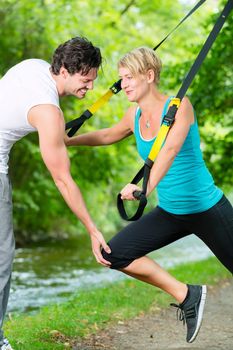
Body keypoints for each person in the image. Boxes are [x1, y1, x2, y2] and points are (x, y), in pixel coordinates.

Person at [66, 47, 233, 344]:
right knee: (113, 254)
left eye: (130, 77)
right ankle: (187, 295)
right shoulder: (134, 114)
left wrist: (144, 189)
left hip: (207, 207)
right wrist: (69, 140)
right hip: (171, 213)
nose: (125, 84)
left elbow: (167, 151)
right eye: (122, 78)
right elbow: (107, 135)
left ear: (150, 75)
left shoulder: (180, 107)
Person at [0, 36, 111, 350]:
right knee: (2, 257)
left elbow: (53, 133)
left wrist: (64, 137)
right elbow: (63, 179)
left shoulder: (33, 67)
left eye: (92, 81)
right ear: (65, 70)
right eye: (85, 80)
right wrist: (92, 229)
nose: (89, 87)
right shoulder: (49, 111)